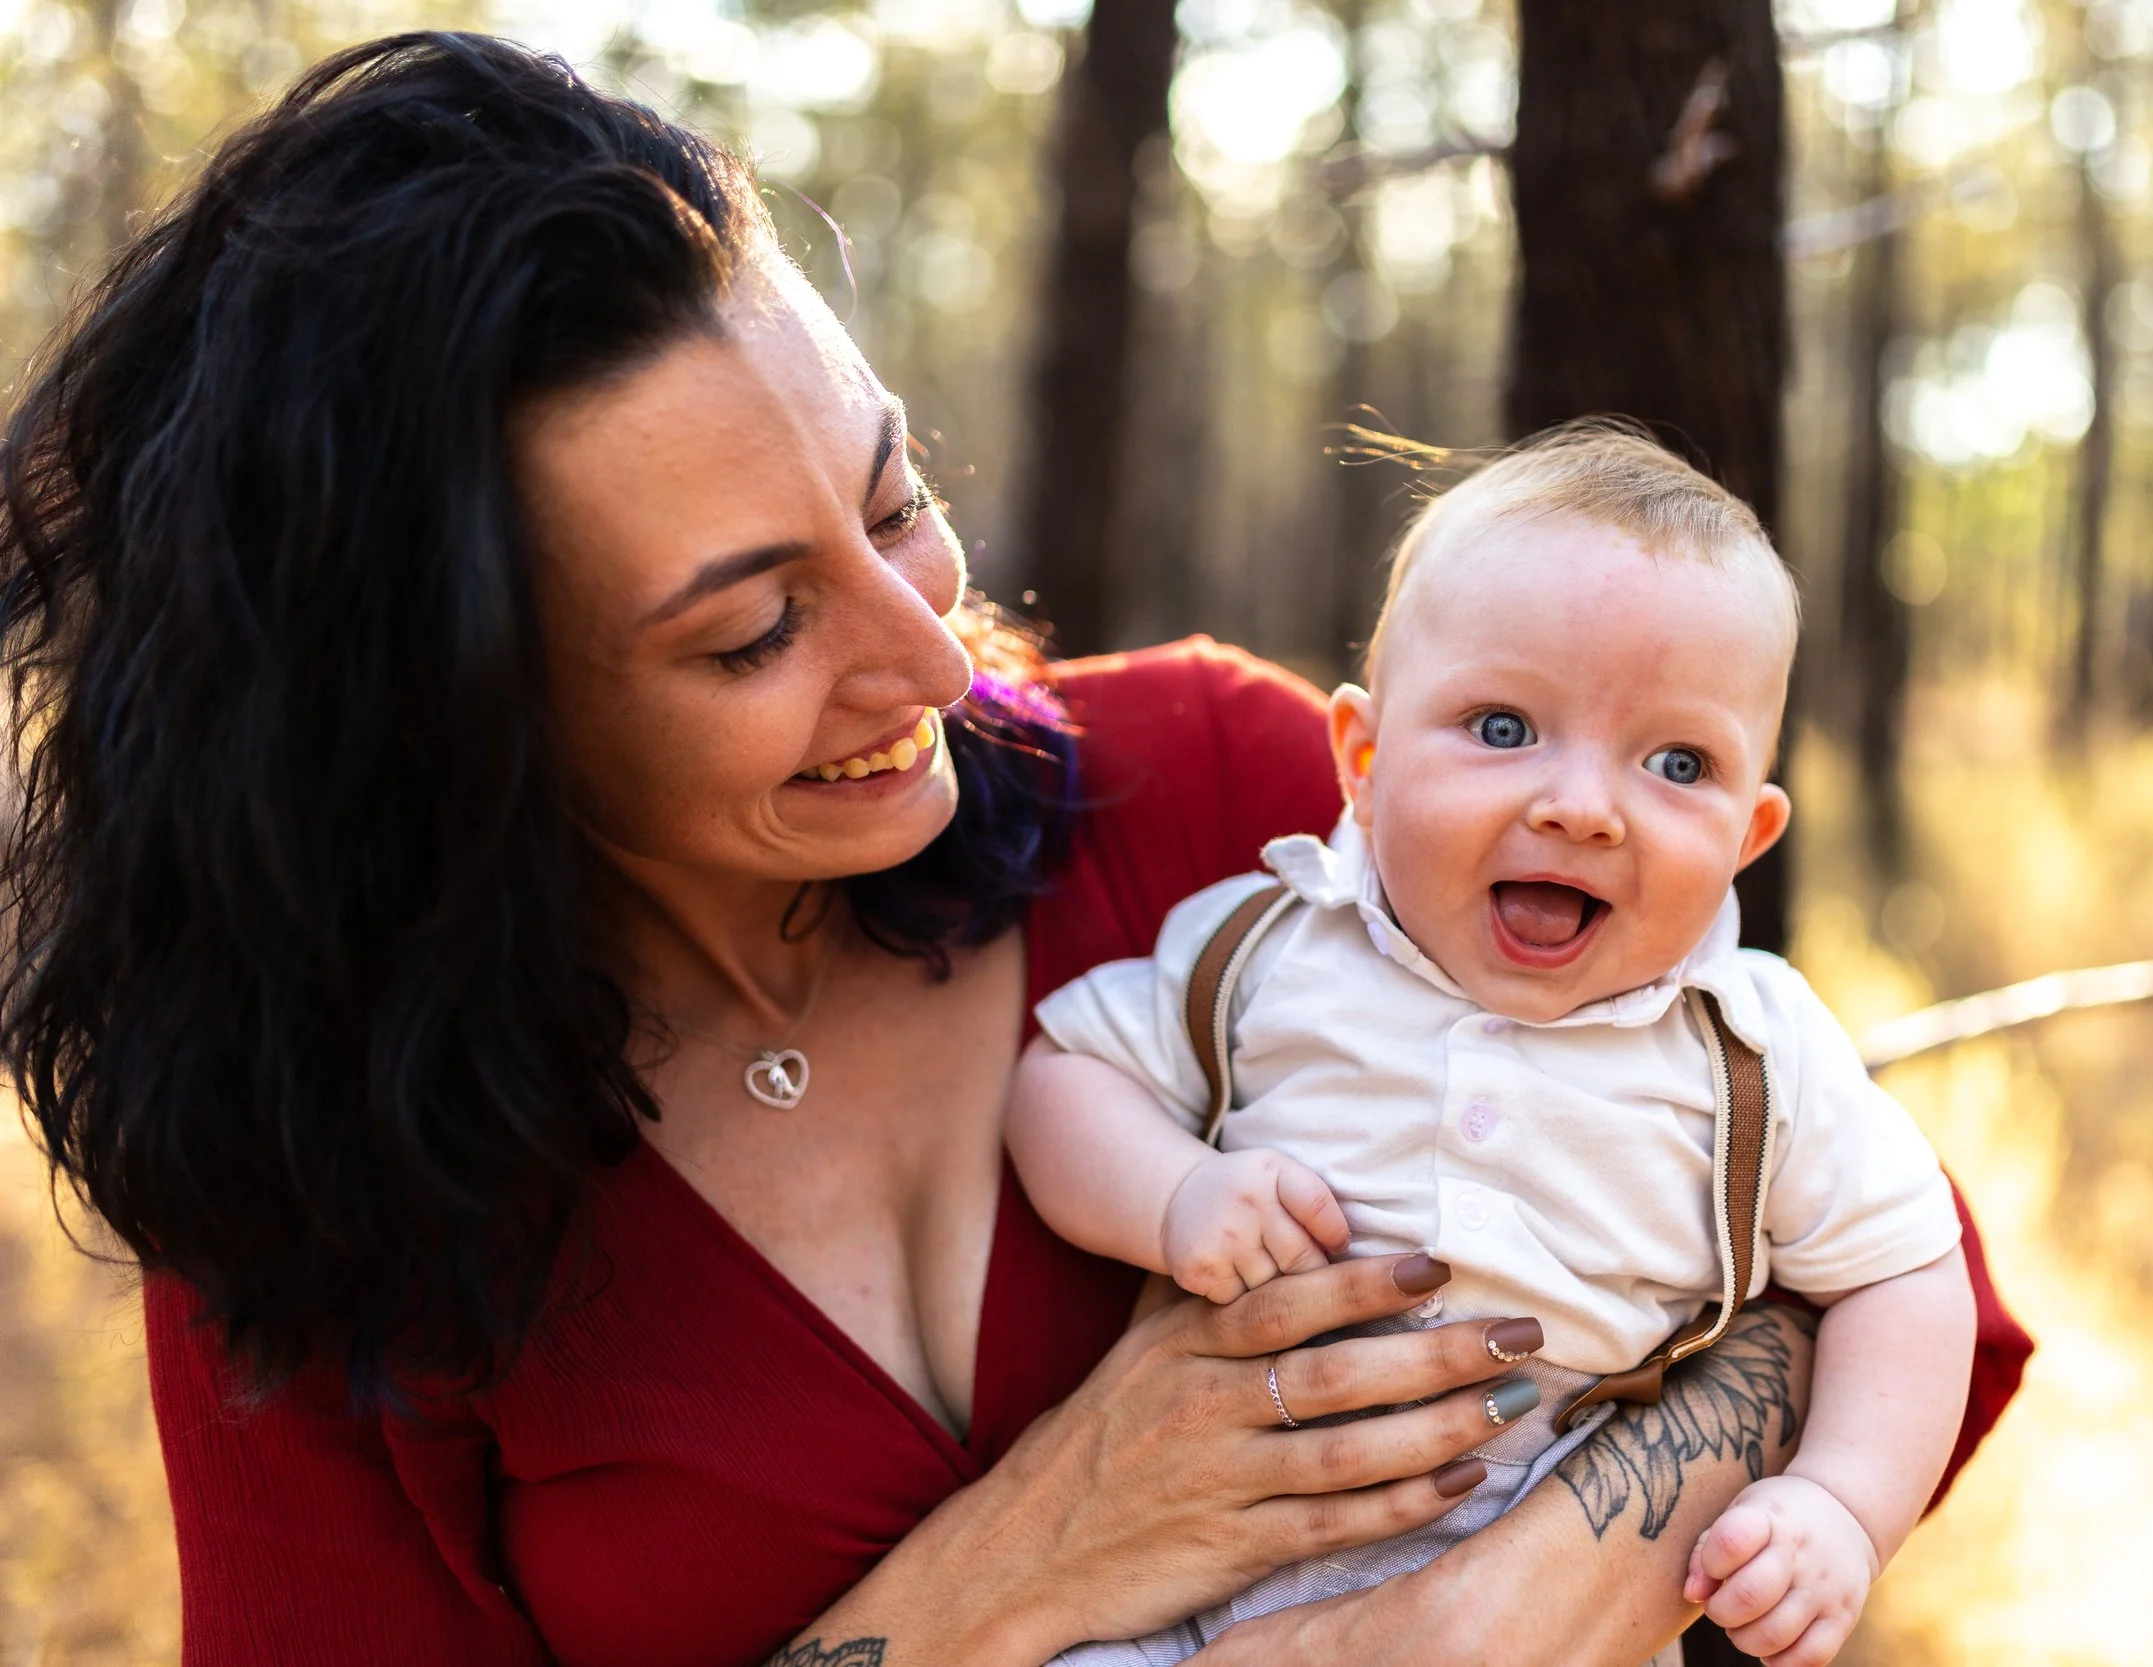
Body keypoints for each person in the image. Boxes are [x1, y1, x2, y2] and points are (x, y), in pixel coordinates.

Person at [0, 32, 2028, 1667]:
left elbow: (1882, 1274)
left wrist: (1494, 1599)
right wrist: (1019, 1566)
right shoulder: (319, 1184)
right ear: (454, 721)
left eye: (890, 502)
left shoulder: (1232, 788)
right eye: (750, 626)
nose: (921, 647)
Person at [1010, 426, 1974, 1667]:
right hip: (1187, 1600)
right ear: (1361, 760)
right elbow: (1061, 1076)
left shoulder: (1750, 1045)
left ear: (1748, 832)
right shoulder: (1269, 943)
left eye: (1677, 762)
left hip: (1542, 1602)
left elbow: (1906, 1271)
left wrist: (1844, 1500)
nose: (1581, 804)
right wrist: (1172, 1190)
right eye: (1504, 726)